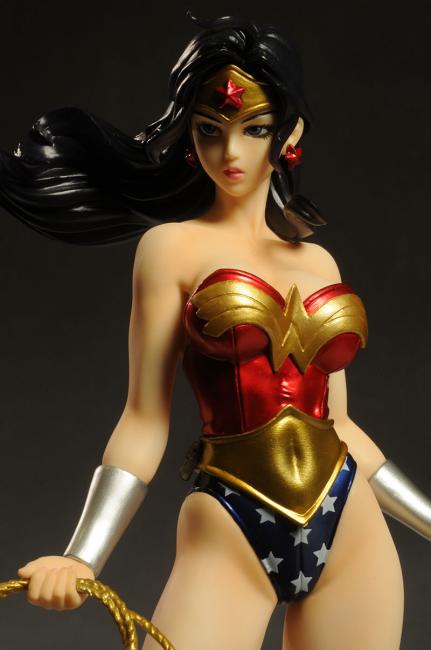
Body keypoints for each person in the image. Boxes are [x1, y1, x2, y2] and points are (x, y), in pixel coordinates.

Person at [1, 13, 430, 650]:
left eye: (254, 129)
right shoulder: (170, 250)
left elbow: (342, 427)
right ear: (189, 132)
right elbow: (143, 418)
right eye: (210, 129)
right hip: (231, 521)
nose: (231, 153)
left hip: (351, 527)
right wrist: (82, 556)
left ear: (289, 133)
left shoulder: (319, 263)